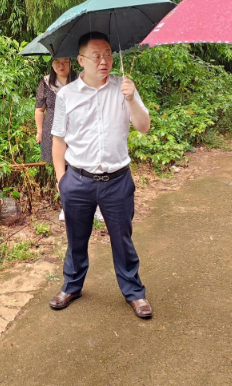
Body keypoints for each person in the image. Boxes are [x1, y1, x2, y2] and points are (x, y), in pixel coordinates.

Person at [49, 31, 153, 319]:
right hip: (78, 180)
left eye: (108, 54)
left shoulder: (124, 88)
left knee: (122, 238)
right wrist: (62, 181)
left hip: (117, 181)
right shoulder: (67, 95)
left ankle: (134, 292)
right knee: (76, 238)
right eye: (97, 56)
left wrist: (132, 100)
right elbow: (58, 140)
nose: (104, 60)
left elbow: (144, 126)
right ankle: (72, 285)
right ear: (81, 60)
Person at [35, 58, 103, 222]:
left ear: (72, 63)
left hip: (78, 129)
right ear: (52, 65)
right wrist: (39, 131)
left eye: (65, 62)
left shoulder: (80, 79)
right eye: (57, 62)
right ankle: (67, 206)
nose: (61, 66)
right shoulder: (46, 83)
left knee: (86, 168)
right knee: (61, 170)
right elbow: (39, 109)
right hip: (54, 131)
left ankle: (96, 207)